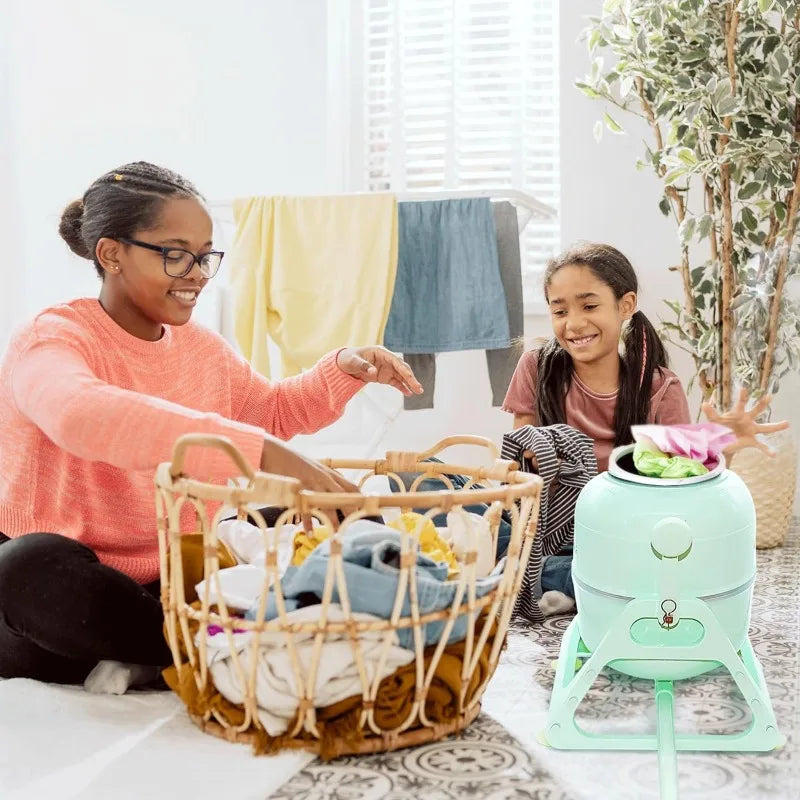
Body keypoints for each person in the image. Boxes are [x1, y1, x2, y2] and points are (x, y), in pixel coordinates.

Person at [0, 161, 422, 693]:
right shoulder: (51, 339)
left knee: (319, 518)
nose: (197, 273)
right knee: (26, 566)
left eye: (204, 256)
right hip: (70, 590)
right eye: (176, 255)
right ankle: (213, 647)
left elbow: (270, 412)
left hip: (174, 576)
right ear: (111, 254)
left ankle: (166, 649)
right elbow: (79, 413)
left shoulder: (199, 347)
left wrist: (341, 369)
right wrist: (264, 452)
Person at [502, 242, 787, 614]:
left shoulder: (658, 388)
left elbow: (684, 485)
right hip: (545, 531)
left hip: (619, 533)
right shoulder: (536, 367)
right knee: (458, 508)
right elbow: (519, 469)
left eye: (589, 306)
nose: (573, 323)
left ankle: (549, 580)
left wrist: (722, 444)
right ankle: (572, 581)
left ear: (625, 305)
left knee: (658, 556)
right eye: (560, 310)